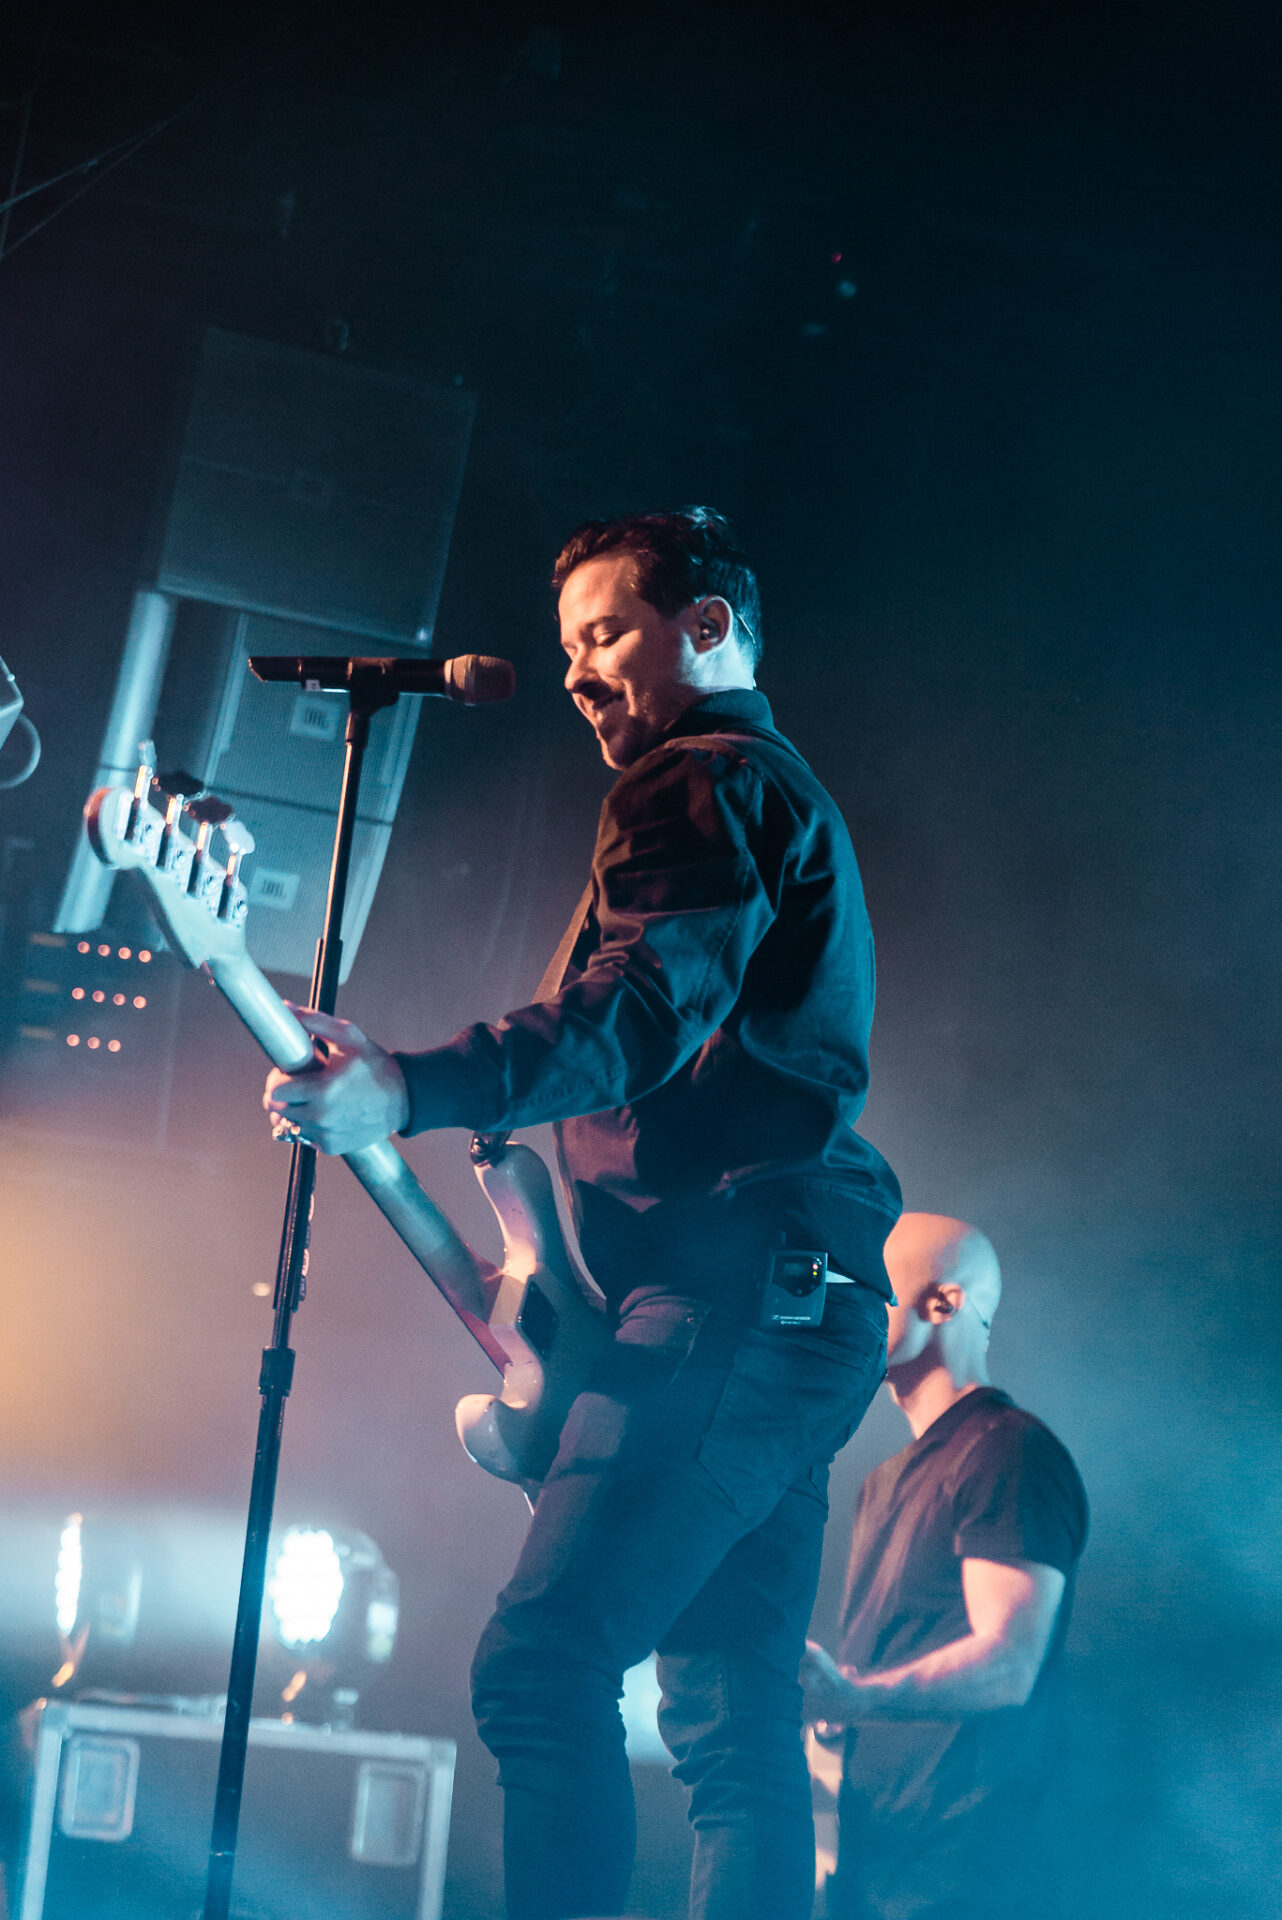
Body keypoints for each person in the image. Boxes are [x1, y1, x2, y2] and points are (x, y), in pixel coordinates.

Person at [263, 507, 901, 1920]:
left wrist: (408, 1088)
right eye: (566, 648)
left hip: (735, 1297)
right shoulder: (760, 791)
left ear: (706, 627)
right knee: (729, 1723)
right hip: (790, 1305)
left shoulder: (698, 781)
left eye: (605, 634)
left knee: (542, 1666)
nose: (573, 673)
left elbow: (640, 1012)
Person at [801, 1212, 1089, 1920]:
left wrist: (856, 1697)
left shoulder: (1007, 1451)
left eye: (870, 1288)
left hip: (967, 1870)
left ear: (942, 1303)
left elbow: (1008, 1663)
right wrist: (835, 1711)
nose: (847, 1307)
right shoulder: (880, 1481)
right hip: (878, 1858)